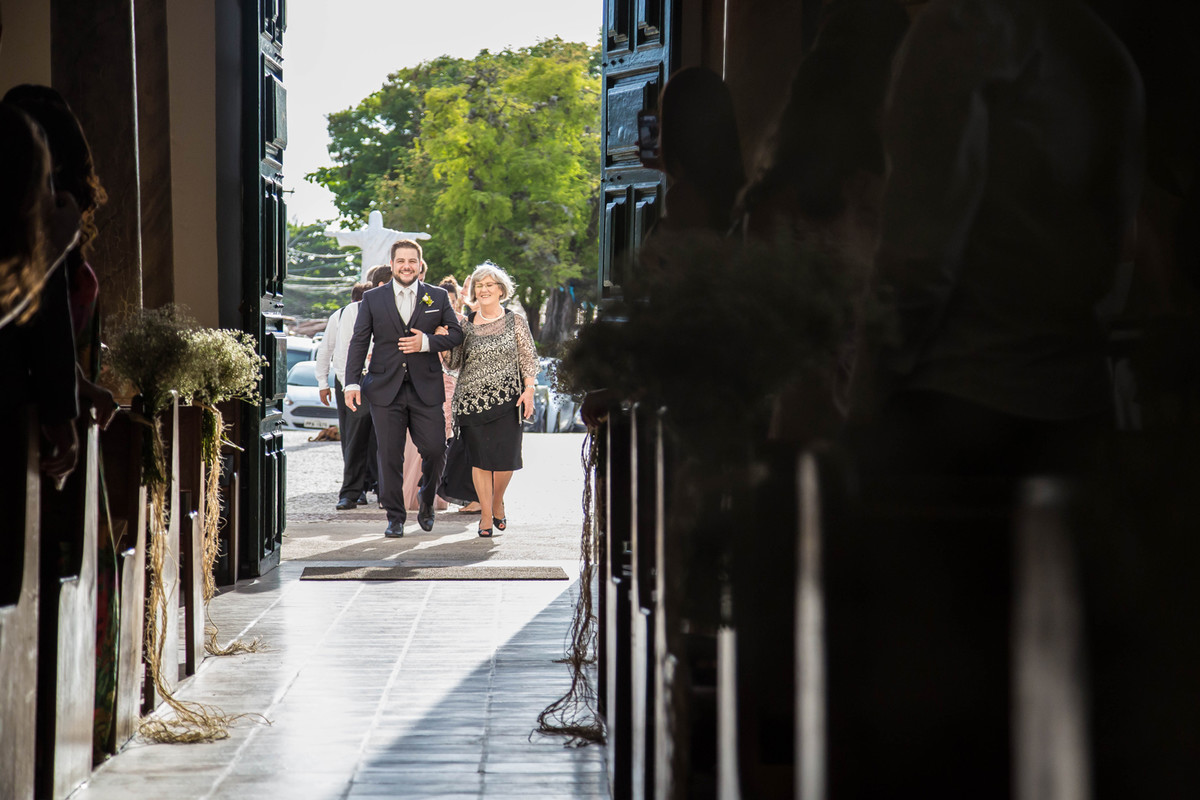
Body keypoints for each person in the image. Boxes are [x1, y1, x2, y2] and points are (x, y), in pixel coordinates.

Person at [343, 239, 462, 538]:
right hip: (385, 388)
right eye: (401, 261)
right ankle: (395, 517)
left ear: (420, 266)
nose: (406, 266)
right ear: (393, 264)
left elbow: (457, 333)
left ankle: (427, 498)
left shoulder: (437, 297)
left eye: (412, 261)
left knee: (435, 449)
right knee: (389, 456)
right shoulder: (373, 299)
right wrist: (352, 382)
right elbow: (359, 341)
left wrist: (426, 343)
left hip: (426, 387)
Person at [443, 262, 539, 537]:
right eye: (479, 286)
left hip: (509, 402)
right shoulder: (467, 324)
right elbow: (455, 362)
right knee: (480, 461)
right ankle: (486, 515)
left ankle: (497, 502)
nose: (483, 290)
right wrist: (443, 344)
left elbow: (528, 357)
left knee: (505, 460)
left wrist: (529, 388)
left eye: (489, 285)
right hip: (471, 402)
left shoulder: (515, 321)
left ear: (500, 290)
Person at [314, 280, 374, 510]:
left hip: (379, 379)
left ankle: (372, 485)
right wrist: (324, 381)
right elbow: (328, 349)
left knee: (374, 438)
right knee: (354, 436)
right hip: (349, 380)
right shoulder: (343, 315)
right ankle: (354, 490)